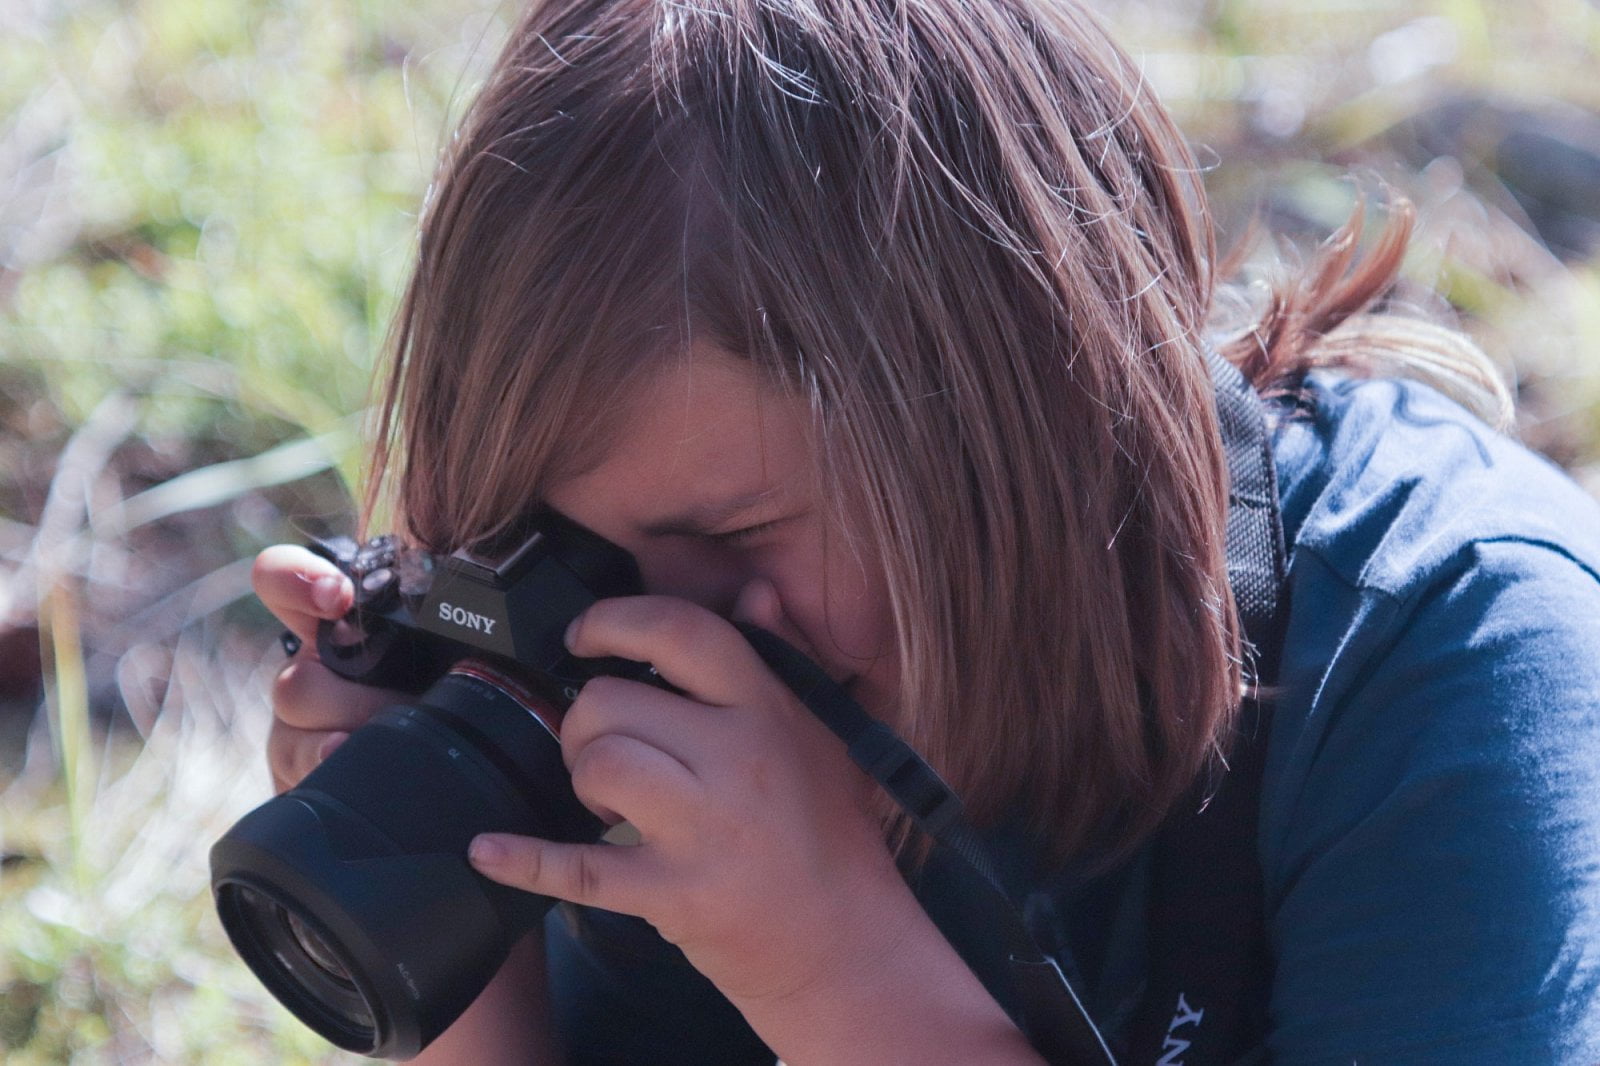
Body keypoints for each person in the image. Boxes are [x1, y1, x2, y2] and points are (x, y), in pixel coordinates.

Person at [250, 0, 1600, 1061]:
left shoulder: (1442, 645)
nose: (651, 648)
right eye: (562, 572)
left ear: (1024, 417)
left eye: (735, 541)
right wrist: (460, 955)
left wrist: (830, 969)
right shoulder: (631, 683)